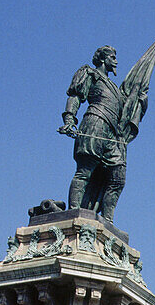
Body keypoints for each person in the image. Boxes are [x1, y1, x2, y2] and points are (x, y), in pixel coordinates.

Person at [59, 46, 140, 222]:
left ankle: (107, 220)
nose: (116, 61)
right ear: (103, 59)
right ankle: (74, 213)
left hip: (113, 134)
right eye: (113, 57)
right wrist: (69, 119)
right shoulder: (90, 74)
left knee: (118, 177)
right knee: (85, 171)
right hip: (95, 124)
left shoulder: (115, 88)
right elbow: (75, 96)